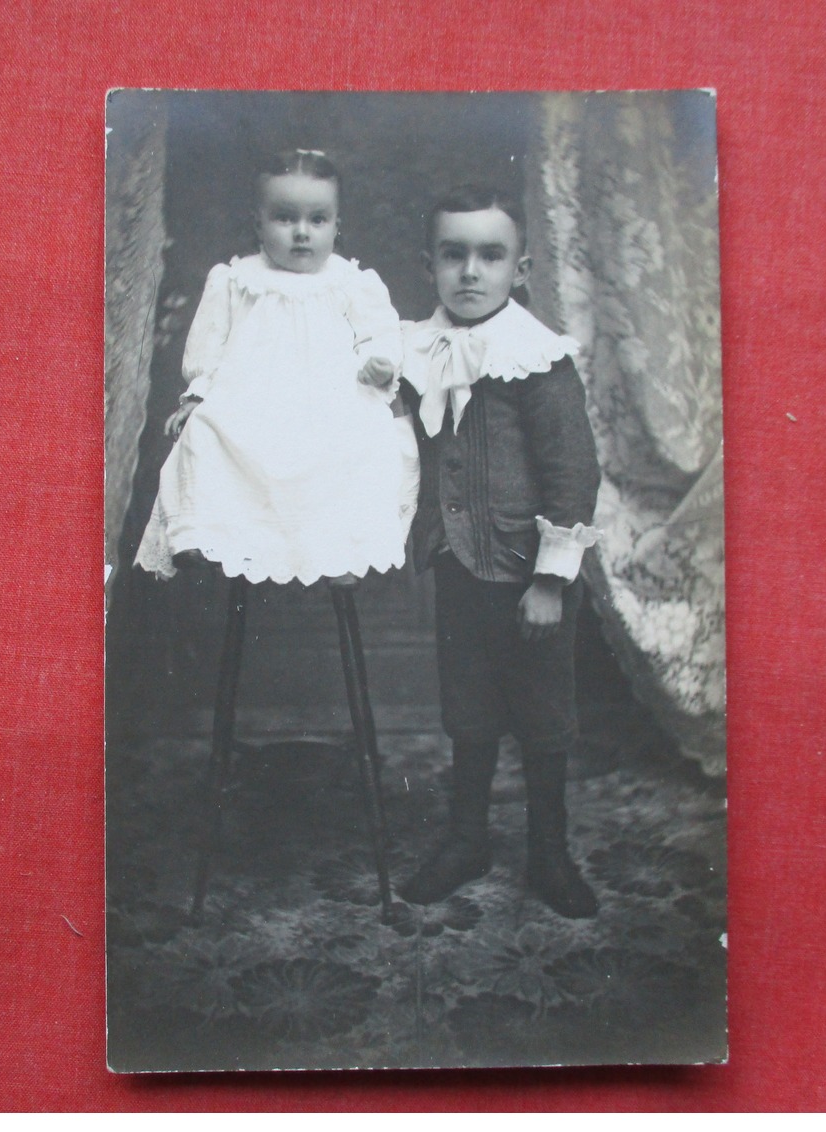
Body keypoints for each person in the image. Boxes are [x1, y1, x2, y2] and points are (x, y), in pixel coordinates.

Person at [397, 184, 603, 918]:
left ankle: (550, 852)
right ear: (430, 265)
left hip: (529, 577)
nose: (471, 272)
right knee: (471, 710)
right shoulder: (418, 347)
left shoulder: (537, 359)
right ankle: (466, 838)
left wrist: (550, 581)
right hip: (461, 568)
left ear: (521, 267)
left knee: (544, 716)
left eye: (491, 256)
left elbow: (573, 471)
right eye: (454, 255)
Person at [135, 149, 417, 587]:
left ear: (337, 225)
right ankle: (201, 534)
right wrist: (197, 395)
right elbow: (210, 346)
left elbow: (379, 333)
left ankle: (340, 547)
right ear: (259, 223)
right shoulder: (236, 280)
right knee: (204, 432)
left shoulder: (350, 282)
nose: (302, 233)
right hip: (251, 406)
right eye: (286, 218)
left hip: (327, 406)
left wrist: (379, 364)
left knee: (361, 443)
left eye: (318, 220)